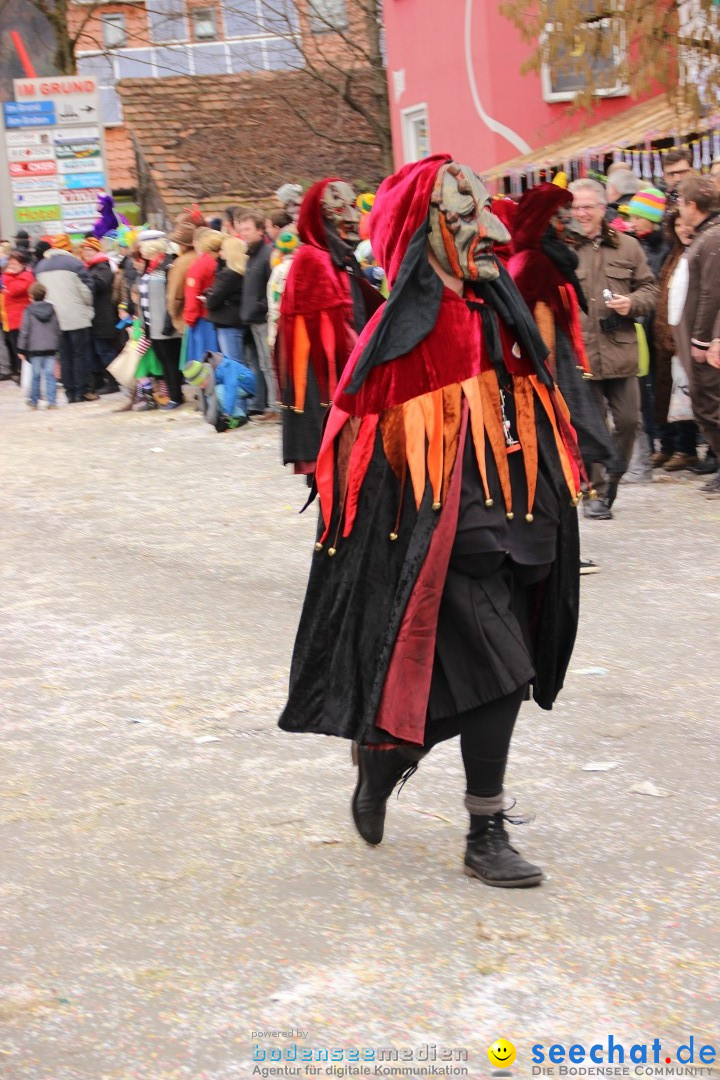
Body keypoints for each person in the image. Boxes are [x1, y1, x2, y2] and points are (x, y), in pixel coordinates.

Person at [279, 155, 585, 888]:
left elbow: (538, 401)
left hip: (524, 517)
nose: (487, 228)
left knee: (508, 666)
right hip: (452, 533)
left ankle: (388, 752)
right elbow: (358, 455)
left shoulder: (498, 306)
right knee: (502, 676)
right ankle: (485, 830)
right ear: (425, 231)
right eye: (462, 215)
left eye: (484, 213)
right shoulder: (402, 333)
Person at [507, 182, 622, 574]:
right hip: (543, 379)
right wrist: (546, 384)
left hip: (561, 372)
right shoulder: (531, 264)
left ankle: (560, 550)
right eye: (561, 215)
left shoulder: (550, 261)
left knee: (566, 460)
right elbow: (526, 331)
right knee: (554, 464)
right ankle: (551, 553)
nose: (570, 221)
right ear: (543, 221)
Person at [274, 178, 385, 475]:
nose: (351, 216)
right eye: (340, 209)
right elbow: (334, 340)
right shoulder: (315, 262)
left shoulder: (335, 258)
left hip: (341, 386)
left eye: (352, 206)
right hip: (328, 391)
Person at [569, 178, 659, 518]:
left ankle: (613, 479)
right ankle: (595, 492)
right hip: (581, 353)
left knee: (628, 422)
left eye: (587, 207)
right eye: (576, 207)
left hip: (620, 350)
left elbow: (650, 291)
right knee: (590, 427)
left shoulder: (628, 247)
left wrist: (632, 302)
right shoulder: (564, 248)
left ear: (603, 208)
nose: (581, 214)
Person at [674, 175, 720, 498]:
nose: (679, 209)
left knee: (710, 407)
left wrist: (701, 341)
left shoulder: (713, 238)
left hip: (703, 343)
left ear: (692, 206)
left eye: (680, 203)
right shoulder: (705, 236)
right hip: (694, 339)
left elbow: (711, 293)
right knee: (705, 406)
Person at [652, 210, 699, 471]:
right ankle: (670, 446)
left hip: (687, 337)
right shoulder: (673, 254)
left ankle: (687, 448)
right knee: (668, 396)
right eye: (678, 224)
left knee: (687, 396)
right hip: (665, 336)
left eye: (688, 223)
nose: (684, 228)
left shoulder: (697, 253)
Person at [35, 234, 94, 404]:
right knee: (79, 355)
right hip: (76, 316)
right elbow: (86, 290)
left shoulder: (40, 267)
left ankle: (70, 392)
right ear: (68, 247)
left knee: (64, 356)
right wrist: (88, 308)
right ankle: (80, 391)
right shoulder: (75, 263)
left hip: (53, 319)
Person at [236, 211, 276, 419]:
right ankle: (270, 405)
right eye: (241, 229)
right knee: (262, 364)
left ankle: (276, 407)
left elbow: (273, 285)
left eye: (248, 229)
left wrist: (261, 306)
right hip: (253, 318)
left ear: (260, 231)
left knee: (270, 365)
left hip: (264, 318)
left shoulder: (267, 254)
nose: (243, 233)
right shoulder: (251, 255)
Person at [138, 236, 184, 409]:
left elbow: (170, 298)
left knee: (171, 361)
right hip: (152, 325)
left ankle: (176, 396)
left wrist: (168, 322)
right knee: (164, 361)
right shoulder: (150, 269)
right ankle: (173, 394)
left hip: (164, 325)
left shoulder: (166, 268)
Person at [80, 235, 119, 395]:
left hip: (103, 316)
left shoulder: (102, 266)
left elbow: (100, 285)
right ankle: (104, 380)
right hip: (97, 317)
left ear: (97, 251)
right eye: (85, 249)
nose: (86, 252)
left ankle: (113, 381)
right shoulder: (90, 267)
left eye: (90, 249)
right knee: (98, 350)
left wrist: (84, 280)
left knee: (104, 351)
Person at [182, 354, 256, 432]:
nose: (200, 387)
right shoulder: (210, 372)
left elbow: (231, 388)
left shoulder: (223, 367)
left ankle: (240, 419)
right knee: (213, 394)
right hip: (233, 385)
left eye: (200, 383)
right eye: (197, 385)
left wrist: (226, 415)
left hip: (246, 382)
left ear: (204, 375)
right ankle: (231, 420)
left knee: (218, 391)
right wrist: (218, 419)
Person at [16, 281, 60, 409]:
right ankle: (52, 401)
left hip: (35, 348)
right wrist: (57, 343)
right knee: (50, 375)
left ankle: (34, 401)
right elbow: (56, 328)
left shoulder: (28, 311)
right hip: (51, 347)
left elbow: (24, 330)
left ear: (31, 296)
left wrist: (21, 348)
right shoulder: (52, 309)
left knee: (35, 376)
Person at [206, 236, 247, 365]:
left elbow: (213, 300)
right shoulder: (242, 272)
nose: (220, 253)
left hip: (227, 322)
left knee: (233, 364)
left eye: (223, 249)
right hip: (238, 321)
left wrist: (207, 298)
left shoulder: (229, 274)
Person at [183, 228, 222, 362]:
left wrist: (190, 318)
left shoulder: (199, 265)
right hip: (215, 316)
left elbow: (192, 294)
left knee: (204, 360)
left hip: (202, 319)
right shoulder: (219, 262)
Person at [0, 250, 34, 383]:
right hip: (10, 320)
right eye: (10, 263)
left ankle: (27, 376)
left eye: (15, 263)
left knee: (23, 350)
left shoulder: (26, 276)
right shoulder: (10, 277)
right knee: (15, 349)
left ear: (22, 264)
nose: (11, 265)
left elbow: (14, 291)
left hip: (21, 320)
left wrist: (7, 276)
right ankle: (22, 374)